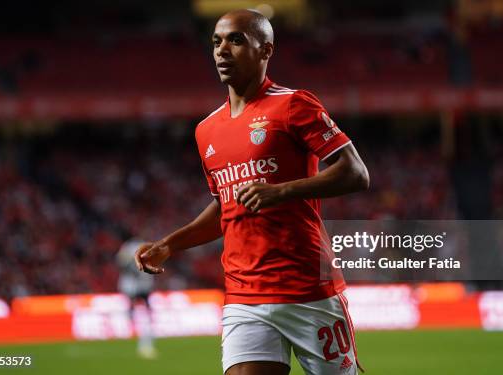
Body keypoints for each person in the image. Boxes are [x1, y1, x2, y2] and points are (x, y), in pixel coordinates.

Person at [135, 9, 369, 375]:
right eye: (216, 41)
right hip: (244, 295)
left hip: (307, 289)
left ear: (266, 50)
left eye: (236, 40)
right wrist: (171, 244)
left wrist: (281, 192)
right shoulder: (206, 130)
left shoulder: (293, 104)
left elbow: (355, 173)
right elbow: (225, 208)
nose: (222, 50)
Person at [117, 239, 157, 359]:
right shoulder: (134, 246)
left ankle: (143, 338)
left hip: (139, 285)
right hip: (137, 285)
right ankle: (134, 322)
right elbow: (122, 263)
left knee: (144, 313)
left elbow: (121, 262)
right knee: (144, 313)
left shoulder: (132, 246)